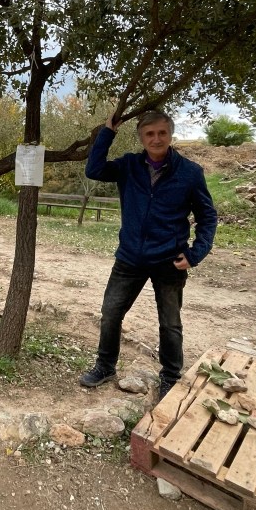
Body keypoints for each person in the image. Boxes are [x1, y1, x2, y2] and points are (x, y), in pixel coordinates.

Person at [80, 111, 217, 401]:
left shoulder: (190, 172)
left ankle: (170, 376)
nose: (156, 139)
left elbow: (207, 216)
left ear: (170, 135)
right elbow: (93, 170)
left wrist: (195, 254)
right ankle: (105, 366)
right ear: (141, 138)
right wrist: (107, 132)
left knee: (170, 322)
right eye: (149, 134)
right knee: (111, 313)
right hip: (130, 257)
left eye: (162, 133)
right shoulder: (129, 165)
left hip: (170, 261)